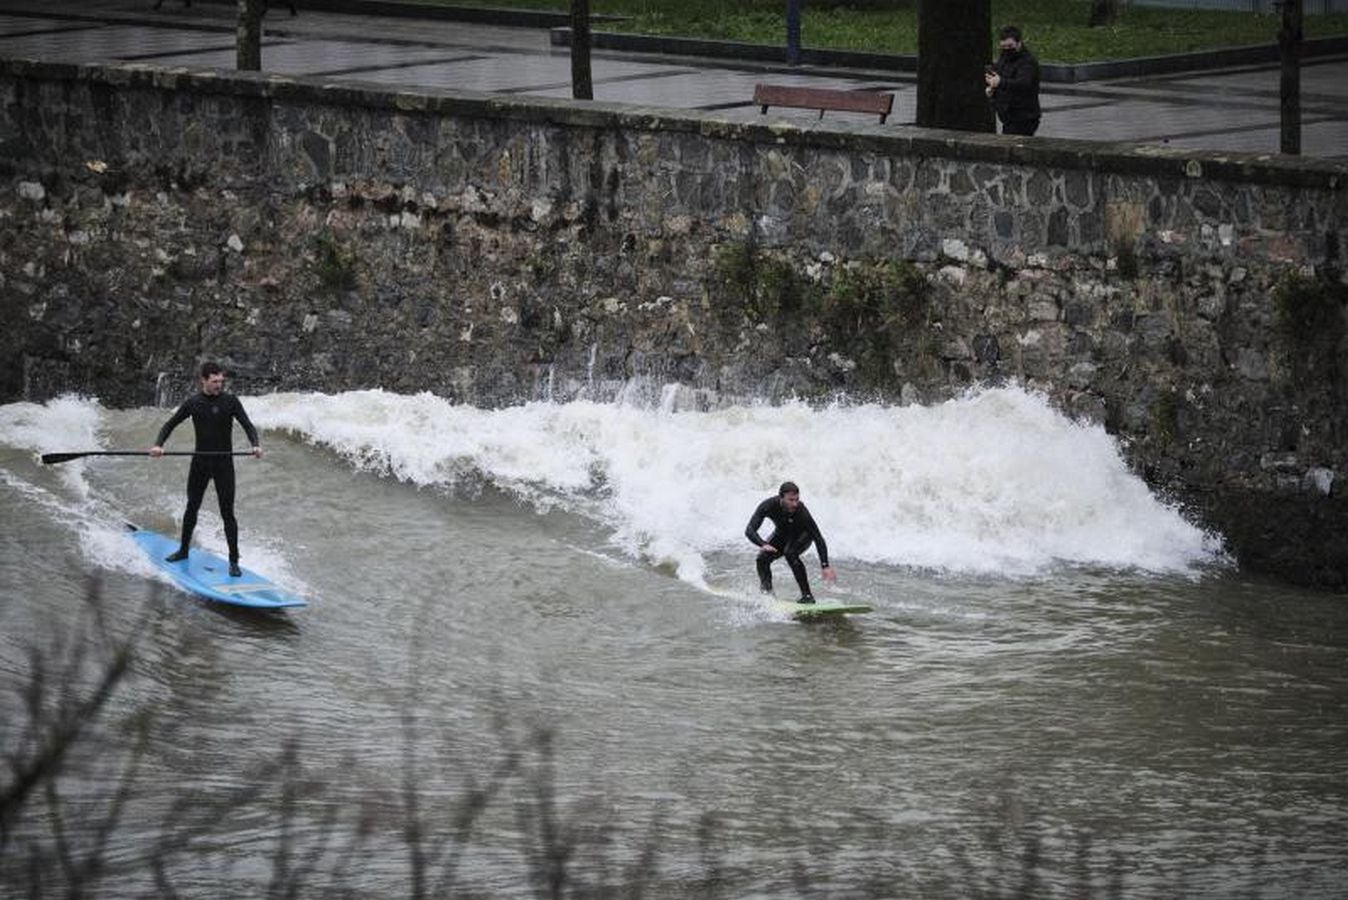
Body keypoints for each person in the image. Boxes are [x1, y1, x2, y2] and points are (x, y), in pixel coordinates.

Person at [151, 362, 262, 577]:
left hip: (223, 464)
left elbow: (248, 425)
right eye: (214, 381)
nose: (219, 385)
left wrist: (255, 444)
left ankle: (233, 561)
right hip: (200, 463)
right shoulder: (193, 403)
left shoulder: (230, 401)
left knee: (227, 513)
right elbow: (169, 425)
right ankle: (183, 550)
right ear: (203, 380)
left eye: (221, 381)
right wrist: (158, 445)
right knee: (192, 507)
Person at [744, 481, 836, 604]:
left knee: (790, 553)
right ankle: (767, 593)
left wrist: (825, 566)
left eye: (797, 499)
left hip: (802, 536)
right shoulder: (768, 505)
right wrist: (763, 544)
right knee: (762, 558)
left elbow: (818, 538)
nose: (795, 504)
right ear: (781, 497)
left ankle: (807, 596)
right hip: (782, 535)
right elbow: (749, 530)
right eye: (791, 500)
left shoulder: (801, 511)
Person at [984, 24, 1041, 136]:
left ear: (1019, 43)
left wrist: (1000, 82)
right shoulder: (1004, 57)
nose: (1007, 50)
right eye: (1003, 46)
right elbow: (1000, 75)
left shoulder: (1027, 62)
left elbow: (1023, 84)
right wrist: (992, 89)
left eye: (1010, 46)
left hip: (1023, 117)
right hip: (1009, 116)